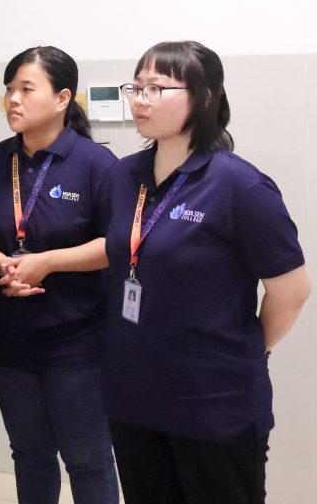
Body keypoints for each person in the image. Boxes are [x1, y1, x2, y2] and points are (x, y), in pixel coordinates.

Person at [104, 41, 310, 504]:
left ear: (205, 96)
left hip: (213, 403)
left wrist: (249, 347)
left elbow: (292, 291)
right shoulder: (123, 177)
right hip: (133, 396)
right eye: (135, 87)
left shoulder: (240, 186)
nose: (140, 99)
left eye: (157, 88)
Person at [0, 46, 119, 504]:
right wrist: (2, 262)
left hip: (79, 338)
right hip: (12, 336)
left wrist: (47, 261)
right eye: (9, 89)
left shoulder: (96, 164)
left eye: (26, 89)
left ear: (62, 98)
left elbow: (116, 245)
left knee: (88, 460)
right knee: (29, 454)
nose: (12, 99)